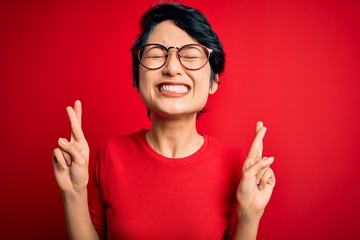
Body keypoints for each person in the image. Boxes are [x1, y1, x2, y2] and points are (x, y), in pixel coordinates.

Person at [52, 3, 276, 240]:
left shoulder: (235, 165)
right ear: (137, 79)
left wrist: (250, 215)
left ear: (213, 82)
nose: (172, 67)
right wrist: (73, 195)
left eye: (190, 55)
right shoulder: (111, 154)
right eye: (156, 54)